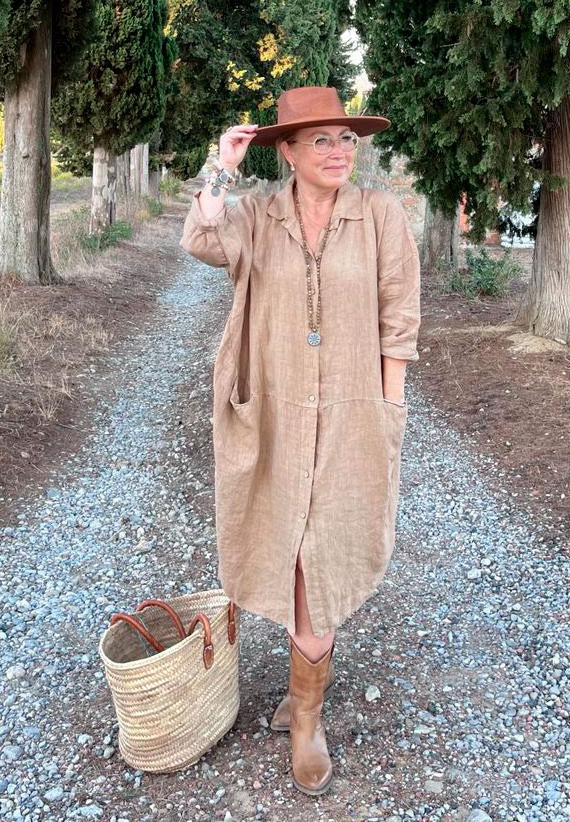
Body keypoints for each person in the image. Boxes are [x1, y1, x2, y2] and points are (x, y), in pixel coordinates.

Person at [179, 86, 421, 796]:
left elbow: (399, 315)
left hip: (352, 416)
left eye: (346, 138)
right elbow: (200, 240)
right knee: (283, 550)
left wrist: (388, 409)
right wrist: (221, 167)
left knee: (327, 554)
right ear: (285, 151)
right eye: (319, 139)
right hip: (275, 410)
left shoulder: (380, 214)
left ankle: (306, 716)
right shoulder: (258, 215)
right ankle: (300, 691)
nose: (339, 151)